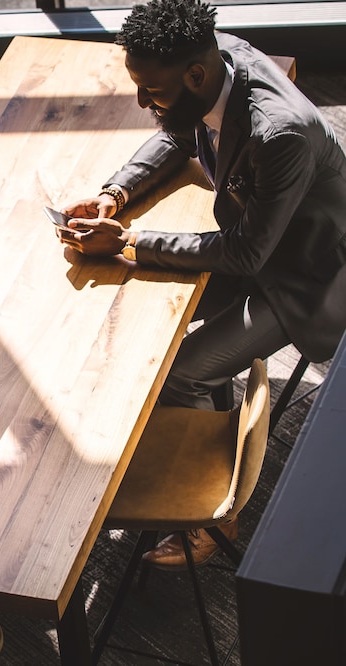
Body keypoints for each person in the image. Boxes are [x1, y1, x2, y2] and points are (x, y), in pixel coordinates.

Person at [58, 0, 346, 567]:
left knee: (178, 370)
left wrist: (129, 243)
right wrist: (116, 193)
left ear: (194, 76)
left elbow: (243, 254)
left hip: (306, 277)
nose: (142, 101)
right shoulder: (219, 61)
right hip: (259, 242)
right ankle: (203, 410)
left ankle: (214, 519)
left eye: (151, 90)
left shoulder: (279, 134)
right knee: (139, 305)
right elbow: (181, 132)